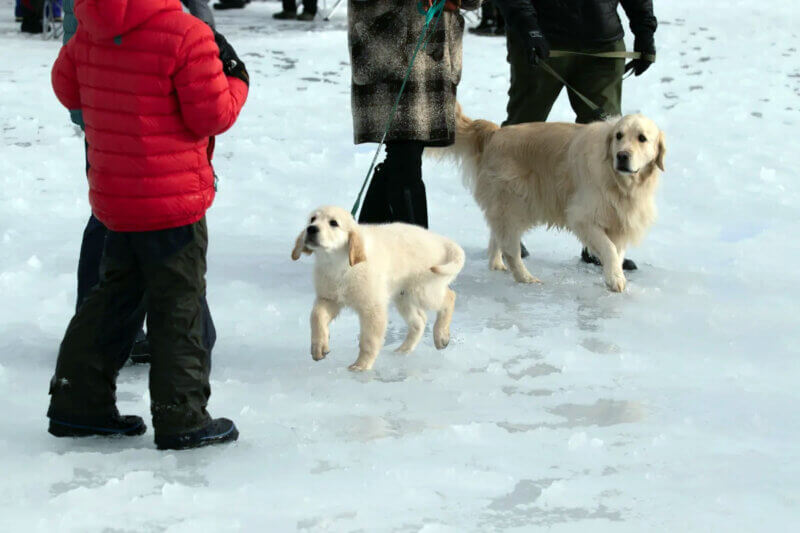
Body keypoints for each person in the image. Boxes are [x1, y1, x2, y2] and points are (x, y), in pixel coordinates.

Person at [47, 0, 249, 451]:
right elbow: (213, 115)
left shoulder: (91, 25)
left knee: (113, 298)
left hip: (116, 196)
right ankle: (182, 418)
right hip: (172, 200)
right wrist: (236, 78)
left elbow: (66, 90)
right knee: (180, 304)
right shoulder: (186, 32)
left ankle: (77, 401)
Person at [494, 0, 657, 269]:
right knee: (519, 137)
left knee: (607, 145)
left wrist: (644, 30)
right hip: (542, 38)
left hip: (601, 42)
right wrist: (528, 28)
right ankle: (505, 230)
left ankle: (599, 244)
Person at [350, 0, 481, 229]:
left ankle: (363, 245)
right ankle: (419, 253)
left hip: (433, 61)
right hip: (390, 51)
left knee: (402, 159)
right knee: (405, 159)